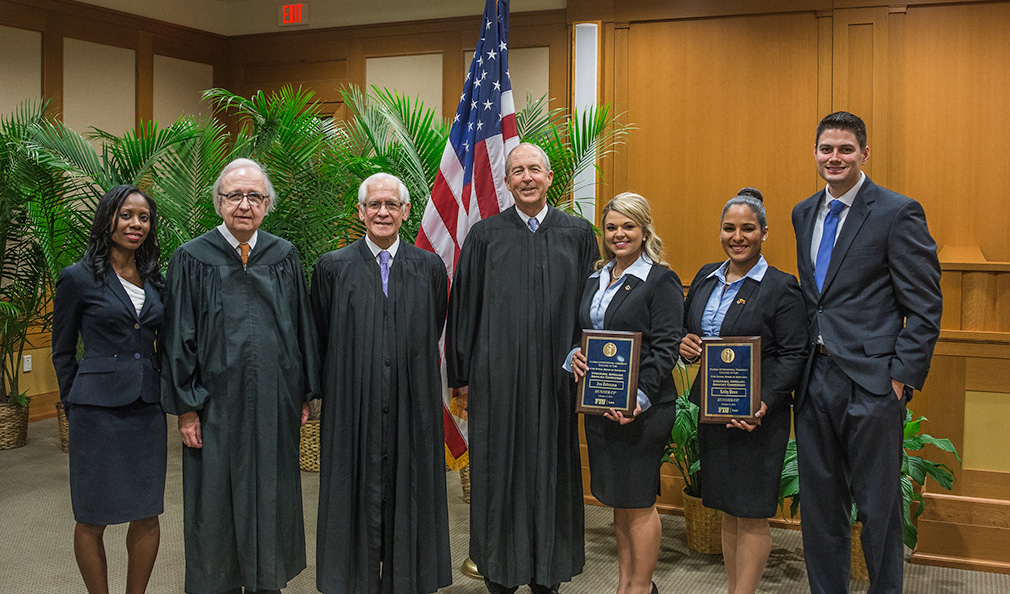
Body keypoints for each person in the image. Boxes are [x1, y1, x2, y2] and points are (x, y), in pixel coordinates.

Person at [791, 112, 942, 594]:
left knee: (879, 511)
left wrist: (899, 378)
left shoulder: (897, 212)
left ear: (864, 154)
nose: (834, 158)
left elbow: (925, 306)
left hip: (873, 384)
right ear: (815, 153)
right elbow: (815, 300)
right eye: (826, 149)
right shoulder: (802, 213)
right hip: (814, 381)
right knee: (820, 510)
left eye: (845, 149)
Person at [161, 158, 320, 594]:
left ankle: (267, 580)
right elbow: (177, 337)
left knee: (273, 492)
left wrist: (302, 394)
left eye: (254, 196)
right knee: (215, 498)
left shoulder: (283, 255)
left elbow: (300, 328)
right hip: (214, 404)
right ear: (218, 202)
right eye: (234, 195)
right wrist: (186, 408)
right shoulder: (191, 258)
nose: (244, 204)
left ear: (267, 204)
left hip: (274, 400)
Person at [446, 142, 599, 594]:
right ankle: (498, 573)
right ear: (507, 181)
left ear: (550, 178)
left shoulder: (578, 234)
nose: (527, 177)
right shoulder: (484, 236)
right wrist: (462, 379)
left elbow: (592, 308)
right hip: (497, 380)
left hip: (557, 378)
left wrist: (584, 359)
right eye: (518, 171)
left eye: (535, 169)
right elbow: (464, 308)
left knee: (552, 471)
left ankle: (547, 573)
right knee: (497, 475)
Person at [311, 172, 451, 594]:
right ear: (360, 211)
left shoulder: (429, 267)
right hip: (351, 403)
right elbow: (319, 335)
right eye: (374, 204)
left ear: (406, 212)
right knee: (351, 490)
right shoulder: (332, 267)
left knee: (411, 488)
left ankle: (406, 581)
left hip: (413, 400)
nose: (383, 212)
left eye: (392, 204)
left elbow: (433, 326)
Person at [679, 188, 807, 594]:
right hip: (714, 412)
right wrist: (686, 344)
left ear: (764, 233)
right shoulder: (706, 277)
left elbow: (794, 354)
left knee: (750, 513)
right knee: (728, 510)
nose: (738, 237)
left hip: (758, 419)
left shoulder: (781, 287)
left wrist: (763, 403)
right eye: (729, 228)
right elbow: (689, 331)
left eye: (748, 229)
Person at [52, 184, 166, 594]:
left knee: (147, 513)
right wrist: (74, 403)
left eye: (144, 217)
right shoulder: (78, 278)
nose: (136, 224)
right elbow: (62, 351)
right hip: (95, 413)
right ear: (108, 220)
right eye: (126, 215)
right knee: (92, 516)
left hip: (146, 408)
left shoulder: (155, 279)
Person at [568, 193, 683, 594]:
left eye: (628, 226)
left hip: (643, 410)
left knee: (638, 502)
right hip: (600, 406)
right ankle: (625, 584)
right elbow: (582, 334)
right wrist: (574, 356)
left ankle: (642, 586)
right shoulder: (595, 278)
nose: (619, 234)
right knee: (619, 500)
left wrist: (639, 399)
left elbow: (667, 348)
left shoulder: (660, 280)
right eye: (612, 227)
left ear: (644, 230)